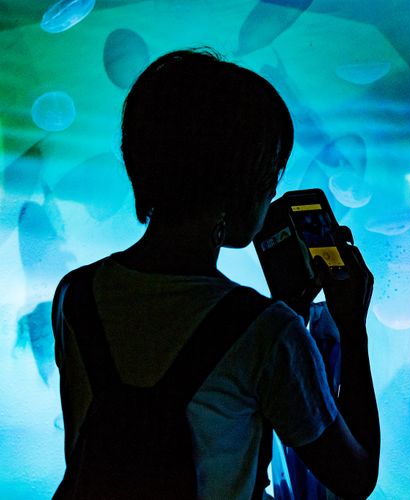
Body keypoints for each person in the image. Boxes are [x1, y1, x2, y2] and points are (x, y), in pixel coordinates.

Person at [52, 48, 379, 499]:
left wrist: (290, 312)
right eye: (271, 175)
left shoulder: (75, 295)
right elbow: (355, 477)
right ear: (240, 187)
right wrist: (351, 328)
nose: (273, 193)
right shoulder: (269, 334)